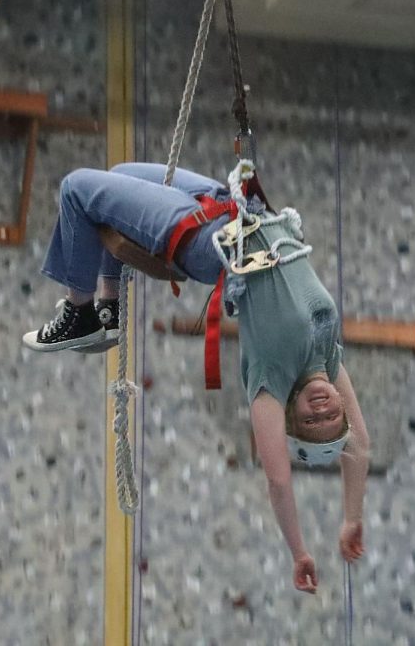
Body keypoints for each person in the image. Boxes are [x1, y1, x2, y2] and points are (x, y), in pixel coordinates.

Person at [24, 162, 371, 593]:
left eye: (309, 422)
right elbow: (359, 447)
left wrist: (299, 552)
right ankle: (109, 307)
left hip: (208, 243)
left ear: (288, 416)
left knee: (76, 187)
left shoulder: (270, 382)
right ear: (342, 408)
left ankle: (80, 313)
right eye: (330, 419)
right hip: (234, 211)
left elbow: (279, 479)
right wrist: (351, 518)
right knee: (120, 173)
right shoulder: (328, 355)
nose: (320, 411)